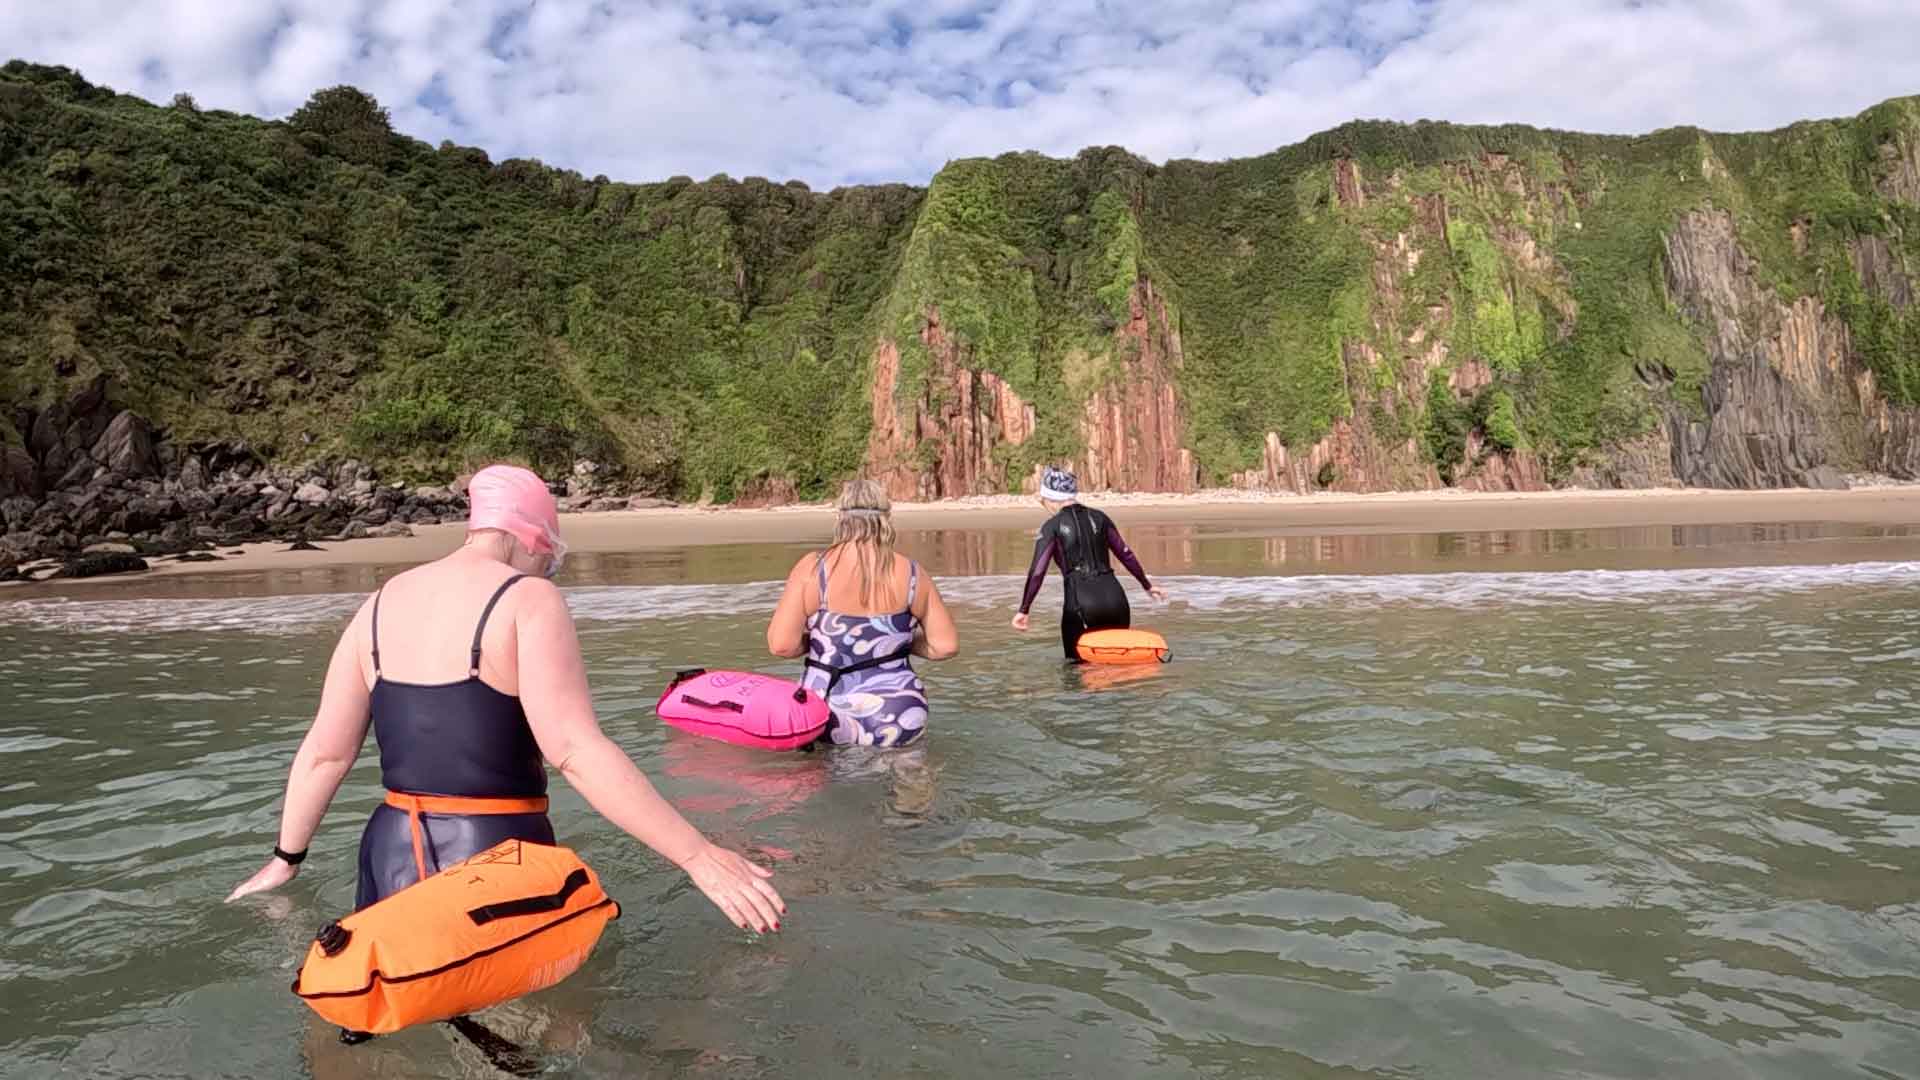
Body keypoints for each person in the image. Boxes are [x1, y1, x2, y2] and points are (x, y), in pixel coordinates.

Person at [225, 463, 784, 941]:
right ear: (535, 538)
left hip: (389, 851)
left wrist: (285, 859)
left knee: (400, 998)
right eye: (551, 557)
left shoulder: (378, 602)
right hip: (493, 851)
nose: (548, 570)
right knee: (534, 1030)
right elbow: (572, 750)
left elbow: (326, 752)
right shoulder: (527, 598)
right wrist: (697, 855)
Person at [765, 479, 958, 748]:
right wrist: (896, 643)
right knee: (910, 779)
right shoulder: (912, 573)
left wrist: (822, 643)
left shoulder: (813, 569)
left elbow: (781, 645)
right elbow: (945, 646)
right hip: (901, 710)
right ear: (887, 518)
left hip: (830, 710)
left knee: (828, 781)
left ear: (840, 517)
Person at [1011, 466, 1168, 660]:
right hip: (1117, 602)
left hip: (1081, 605)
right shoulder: (1100, 518)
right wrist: (1147, 585)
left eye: (1043, 501)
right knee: (1118, 661)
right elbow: (1126, 554)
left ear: (1050, 498)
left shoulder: (1052, 526)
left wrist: (1024, 610)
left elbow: (1037, 571)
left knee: (1077, 670)